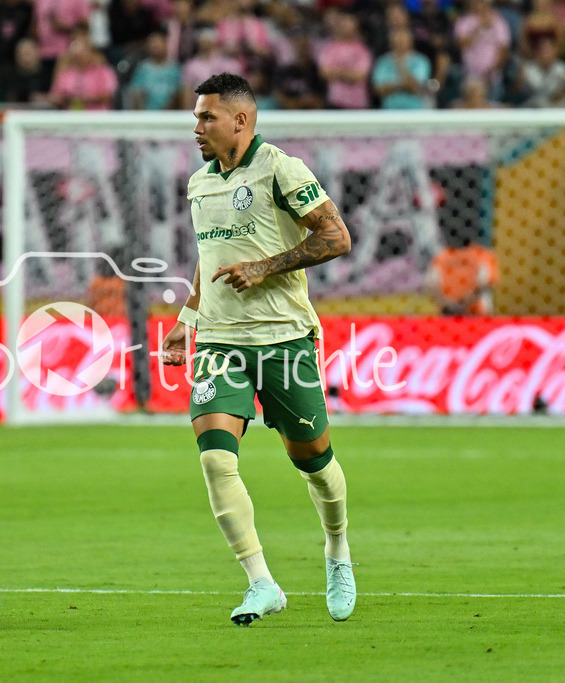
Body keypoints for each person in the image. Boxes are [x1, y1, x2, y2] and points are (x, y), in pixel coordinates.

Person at [160, 73, 355, 626]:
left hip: (283, 340)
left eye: (207, 117)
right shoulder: (200, 183)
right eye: (197, 117)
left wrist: (264, 267)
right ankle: (261, 582)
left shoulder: (280, 169)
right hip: (220, 343)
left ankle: (337, 552)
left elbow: (337, 236)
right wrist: (187, 319)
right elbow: (208, 255)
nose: (196, 127)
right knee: (216, 457)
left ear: (240, 121)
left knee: (313, 461)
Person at [426, 235, 500, 315]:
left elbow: (432, 284)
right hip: (462, 309)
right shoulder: (483, 254)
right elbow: (486, 282)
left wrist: (451, 304)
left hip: (456, 309)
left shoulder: (441, 256)